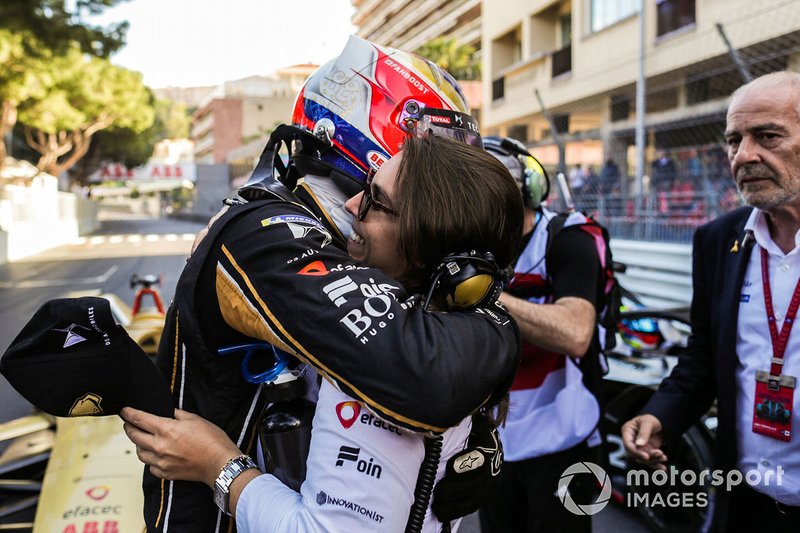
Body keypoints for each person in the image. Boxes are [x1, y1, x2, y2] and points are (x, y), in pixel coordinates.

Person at [133, 36, 520, 532]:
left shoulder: (364, 249)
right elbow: (426, 370)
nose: (444, 176)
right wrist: (496, 327)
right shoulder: (264, 231)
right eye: (427, 152)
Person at [622, 71, 800, 530]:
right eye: (733, 140)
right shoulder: (719, 240)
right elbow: (704, 355)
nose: (744, 156)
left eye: (767, 137)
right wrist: (660, 416)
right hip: (743, 503)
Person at [479, 136, 607, 533]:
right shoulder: (471, 246)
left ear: (526, 189)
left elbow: (575, 333)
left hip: (566, 435)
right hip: (495, 438)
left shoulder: (569, 236)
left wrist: (483, 291)